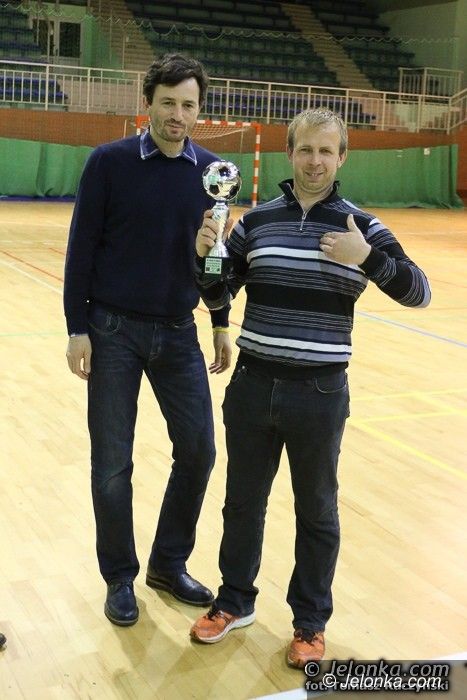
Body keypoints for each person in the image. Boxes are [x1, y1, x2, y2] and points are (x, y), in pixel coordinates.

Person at [190, 108, 431, 666]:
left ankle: (310, 623)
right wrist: (206, 256)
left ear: (341, 157)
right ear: (289, 153)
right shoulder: (255, 222)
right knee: (241, 504)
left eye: (326, 151)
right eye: (306, 149)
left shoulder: (361, 227)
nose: (315, 161)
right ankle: (234, 602)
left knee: (317, 511)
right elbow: (217, 292)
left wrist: (367, 258)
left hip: (319, 394)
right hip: (252, 386)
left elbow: (419, 292)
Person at [64, 53, 231, 627]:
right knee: (112, 463)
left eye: (188, 104)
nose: (177, 114)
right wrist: (77, 328)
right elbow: (81, 248)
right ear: (148, 103)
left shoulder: (211, 173)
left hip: (179, 331)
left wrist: (219, 319)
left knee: (200, 451)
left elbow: (212, 262)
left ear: (200, 110)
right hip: (111, 331)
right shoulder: (108, 162)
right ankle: (119, 577)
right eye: (168, 103)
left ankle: (167, 563)